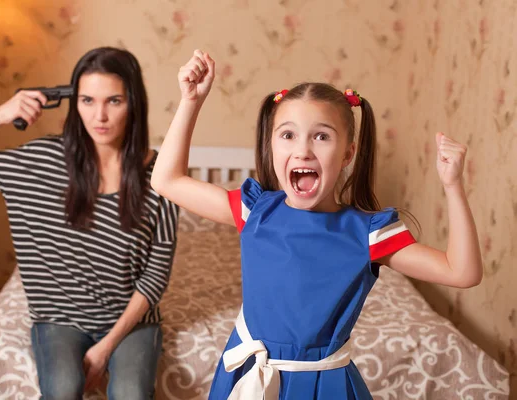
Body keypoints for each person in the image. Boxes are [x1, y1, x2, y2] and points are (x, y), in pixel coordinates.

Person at [151, 50, 483, 399]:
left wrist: (453, 186)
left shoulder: (368, 233)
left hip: (324, 386)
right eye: (288, 135)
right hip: (249, 376)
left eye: (321, 136)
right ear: (271, 147)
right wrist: (191, 101)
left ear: (348, 153)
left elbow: (462, 272)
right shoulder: (255, 211)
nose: (303, 150)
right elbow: (167, 180)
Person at [0, 47, 179, 400]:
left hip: (129, 323)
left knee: (131, 392)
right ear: (74, 102)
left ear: (134, 103)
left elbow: (156, 274)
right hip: (58, 317)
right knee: (64, 389)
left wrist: (106, 347)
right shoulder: (42, 161)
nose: (99, 115)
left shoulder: (160, 176)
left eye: (114, 101)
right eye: (87, 100)